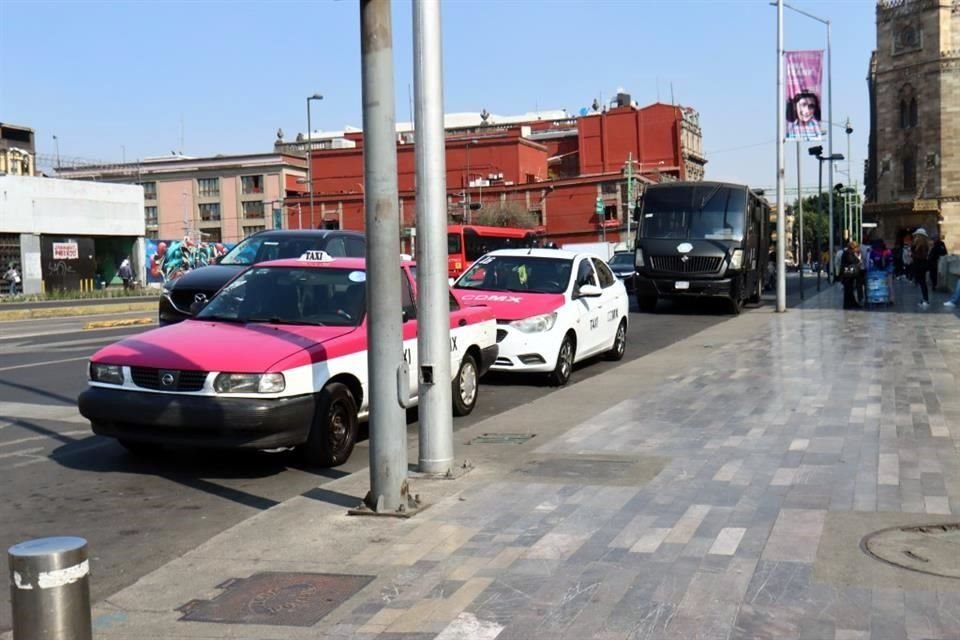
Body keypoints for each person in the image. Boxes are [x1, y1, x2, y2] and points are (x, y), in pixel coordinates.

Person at [840, 241, 863, 309]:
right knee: (848, 290)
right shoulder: (848, 253)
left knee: (850, 289)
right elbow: (853, 261)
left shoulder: (850, 253)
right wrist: (858, 262)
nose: (857, 249)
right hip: (847, 274)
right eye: (856, 247)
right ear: (853, 247)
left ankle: (852, 303)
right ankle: (848, 305)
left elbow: (856, 261)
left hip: (849, 274)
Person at [912, 228, 931, 308]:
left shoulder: (921, 245)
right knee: (922, 283)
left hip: (920, 265)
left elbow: (921, 256)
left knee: (922, 283)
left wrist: (913, 255)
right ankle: (925, 299)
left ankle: (926, 300)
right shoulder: (923, 244)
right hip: (921, 265)